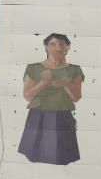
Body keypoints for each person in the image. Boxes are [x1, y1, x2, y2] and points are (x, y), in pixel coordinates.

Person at [18, 33, 84, 165]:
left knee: (62, 157)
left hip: (63, 115)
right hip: (38, 116)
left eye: (61, 44)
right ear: (46, 47)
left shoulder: (75, 69)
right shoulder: (33, 68)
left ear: (68, 47)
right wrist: (43, 82)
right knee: (34, 157)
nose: (57, 47)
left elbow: (76, 97)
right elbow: (27, 96)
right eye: (53, 44)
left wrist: (66, 84)